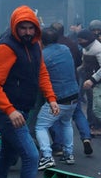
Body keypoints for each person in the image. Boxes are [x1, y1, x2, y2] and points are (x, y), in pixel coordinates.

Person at [0, 6, 59, 178]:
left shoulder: (35, 45)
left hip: (22, 110)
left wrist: (51, 98)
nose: (27, 32)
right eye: (23, 28)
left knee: (7, 155)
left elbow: (41, 72)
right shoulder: (5, 48)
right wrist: (10, 110)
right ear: (15, 27)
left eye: (30, 28)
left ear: (36, 28)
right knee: (31, 155)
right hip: (8, 113)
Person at [34, 27, 80, 170]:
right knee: (66, 123)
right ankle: (69, 154)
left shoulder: (43, 56)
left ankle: (47, 157)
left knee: (41, 126)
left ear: (41, 41)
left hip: (57, 98)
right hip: (74, 95)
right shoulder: (65, 49)